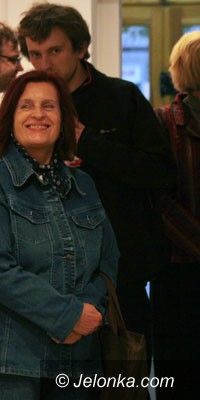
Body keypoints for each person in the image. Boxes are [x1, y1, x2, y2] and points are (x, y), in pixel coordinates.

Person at [18, 3, 176, 366]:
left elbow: (160, 174)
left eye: (54, 51)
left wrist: (88, 143)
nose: (44, 64)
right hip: (52, 271)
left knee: (125, 375)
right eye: (35, 54)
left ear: (81, 48)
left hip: (121, 271)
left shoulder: (122, 97)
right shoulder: (28, 106)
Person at [0, 70, 118, 400]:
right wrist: (67, 316)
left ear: (63, 119)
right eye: (26, 106)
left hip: (77, 362)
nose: (38, 114)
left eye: (49, 106)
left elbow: (108, 260)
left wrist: (88, 311)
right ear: (10, 118)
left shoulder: (83, 185)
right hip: (8, 362)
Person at [152, 31, 200, 400]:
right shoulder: (165, 123)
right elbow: (157, 199)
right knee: (179, 378)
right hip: (179, 273)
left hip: (179, 267)